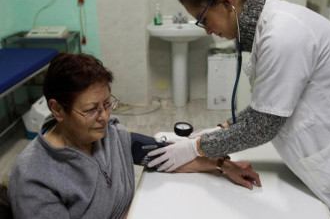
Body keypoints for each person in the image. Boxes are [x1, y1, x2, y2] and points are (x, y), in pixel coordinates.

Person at [147, 0, 330, 218]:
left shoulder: (283, 34)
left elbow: (262, 126)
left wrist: (196, 148)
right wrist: (222, 129)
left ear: (226, 1)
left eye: (204, 19)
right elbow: (267, 106)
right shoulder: (269, 27)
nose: (207, 31)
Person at [7, 53, 261, 219]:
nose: (104, 117)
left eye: (107, 104)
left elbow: (165, 155)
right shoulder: (34, 178)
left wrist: (224, 165)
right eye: (91, 110)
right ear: (57, 110)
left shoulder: (110, 135)